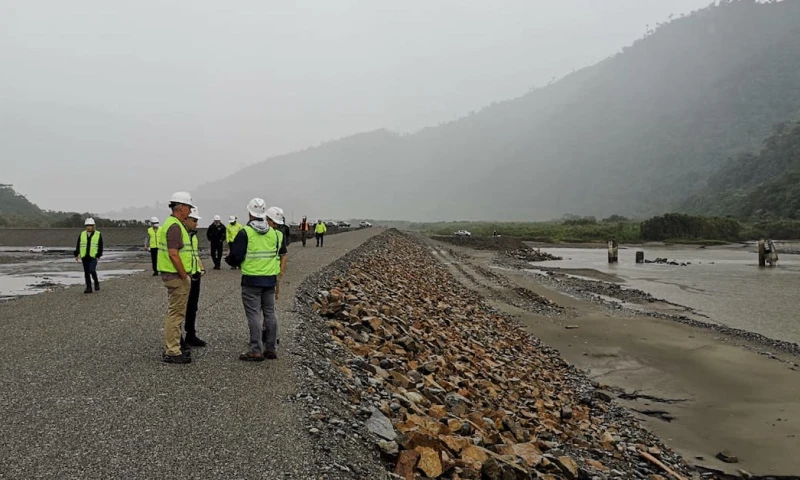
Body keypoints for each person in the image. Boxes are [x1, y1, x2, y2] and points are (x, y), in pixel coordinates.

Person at [226, 198, 286, 362]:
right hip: (270, 280)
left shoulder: (245, 232)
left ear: (249, 213)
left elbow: (235, 257)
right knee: (270, 314)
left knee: (254, 315)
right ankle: (271, 348)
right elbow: (279, 254)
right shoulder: (274, 233)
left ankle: (256, 350)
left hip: (251, 280)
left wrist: (229, 260)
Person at [157, 191, 196, 364]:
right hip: (175, 276)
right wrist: (183, 275)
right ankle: (172, 351)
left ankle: (173, 348)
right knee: (176, 314)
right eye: (188, 207)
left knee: (175, 312)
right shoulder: (174, 226)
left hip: (171, 275)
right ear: (180, 207)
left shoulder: (173, 224)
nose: (190, 211)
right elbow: (173, 254)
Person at [182, 208, 207, 348]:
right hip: (183, 276)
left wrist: (200, 267)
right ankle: (177, 338)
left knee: (192, 307)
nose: (196, 224)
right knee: (180, 308)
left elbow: (194, 255)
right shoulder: (179, 234)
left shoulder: (193, 236)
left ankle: (190, 334)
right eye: (195, 220)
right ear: (186, 219)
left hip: (195, 275)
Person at [73, 218, 103, 294]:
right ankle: (88, 288)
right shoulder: (82, 234)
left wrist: (98, 255)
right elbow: (78, 245)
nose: (89, 227)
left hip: (93, 256)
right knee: (86, 273)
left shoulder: (98, 234)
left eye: (90, 225)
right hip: (84, 256)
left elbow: (100, 246)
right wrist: (76, 254)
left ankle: (96, 282)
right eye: (87, 226)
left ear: (93, 226)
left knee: (92, 270)